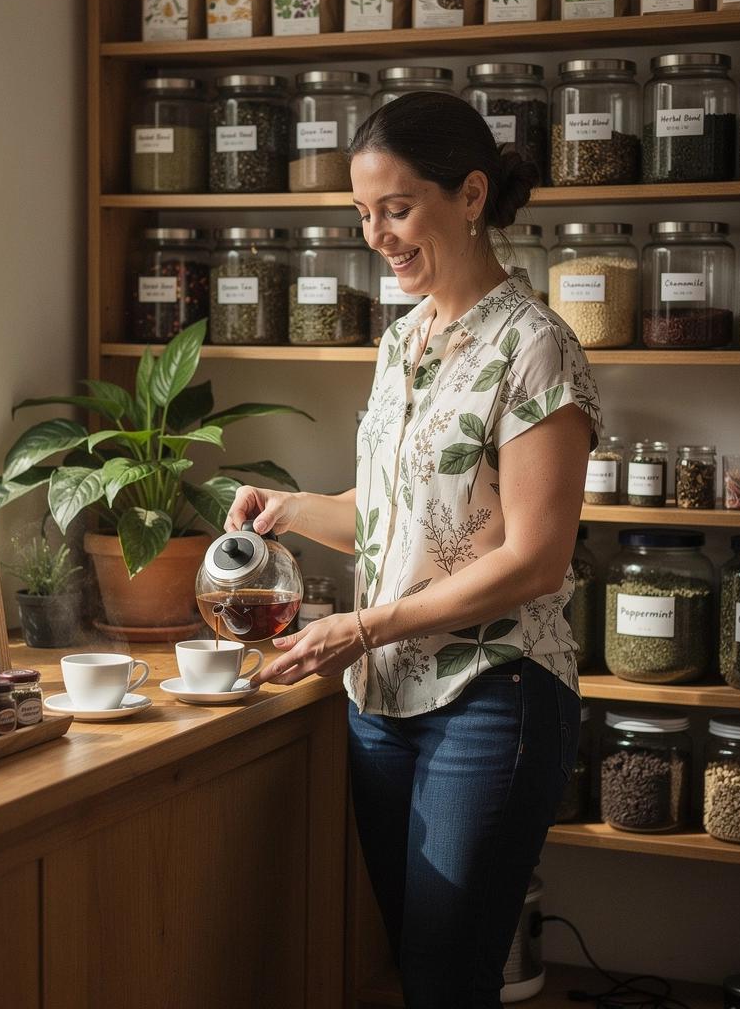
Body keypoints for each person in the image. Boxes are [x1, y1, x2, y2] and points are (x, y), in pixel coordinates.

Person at [224, 91, 604, 1009]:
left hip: (493, 696)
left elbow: (534, 560)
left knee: (446, 980)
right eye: (364, 215)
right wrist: (291, 508)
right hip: (383, 699)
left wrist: (361, 625)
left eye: (398, 208)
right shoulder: (402, 343)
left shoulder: (537, 346)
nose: (379, 236)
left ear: (471, 195)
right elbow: (393, 517)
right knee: (420, 969)